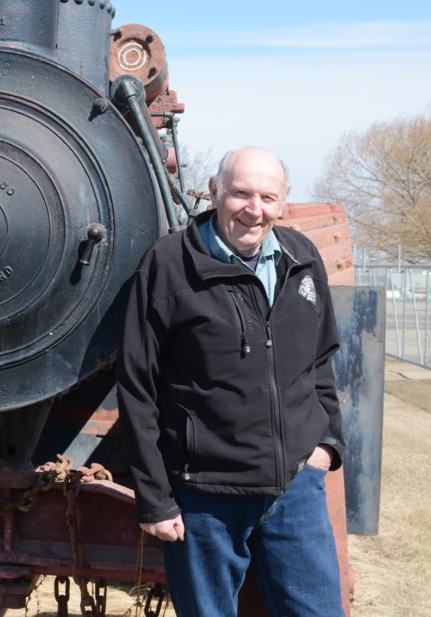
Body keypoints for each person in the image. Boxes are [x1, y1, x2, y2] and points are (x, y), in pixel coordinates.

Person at [116, 146, 345, 615]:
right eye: (241, 193)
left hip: (295, 488)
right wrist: (155, 499)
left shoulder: (301, 257)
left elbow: (321, 357)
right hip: (206, 497)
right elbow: (138, 388)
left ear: (283, 202)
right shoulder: (167, 265)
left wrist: (327, 442)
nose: (253, 210)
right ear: (216, 192)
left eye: (267, 196)